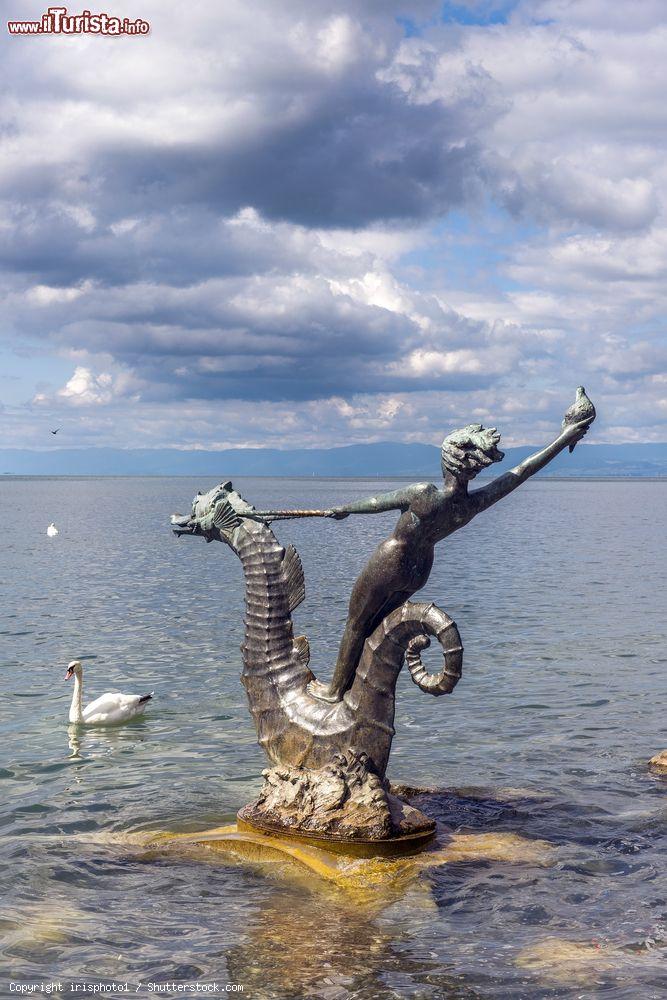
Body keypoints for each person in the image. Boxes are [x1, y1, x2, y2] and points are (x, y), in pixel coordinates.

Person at [255, 404, 594, 703]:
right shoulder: (473, 504)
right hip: (420, 568)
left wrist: (342, 508)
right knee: (379, 626)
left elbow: (376, 503)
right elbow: (522, 472)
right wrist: (564, 437)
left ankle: (334, 692)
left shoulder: (424, 494)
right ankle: (356, 690)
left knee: (357, 624)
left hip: (392, 559)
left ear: (448, 460)